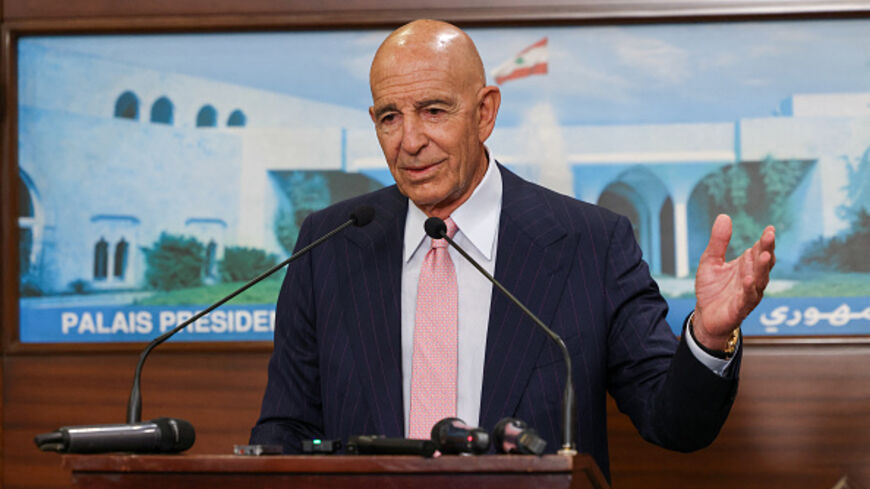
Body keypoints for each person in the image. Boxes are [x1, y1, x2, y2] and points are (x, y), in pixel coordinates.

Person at [251, 19, 776, 480]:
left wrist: (709, 336)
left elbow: (674, 425)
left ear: (485, 113)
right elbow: (287, 426)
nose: (409, 141)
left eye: (433, 111)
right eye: (390, 117)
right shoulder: (332, 242)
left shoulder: (591, 243)